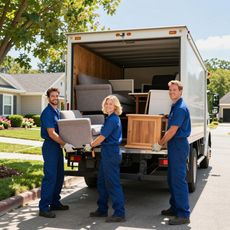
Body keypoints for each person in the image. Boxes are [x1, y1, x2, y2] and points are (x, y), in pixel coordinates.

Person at [152, 80, 191, 225]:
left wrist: (160, 144)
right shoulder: (175, 106)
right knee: (171, 178)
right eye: (170, 90)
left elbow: (173, 130)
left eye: (174, 90)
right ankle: (174, 208)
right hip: (174, 145)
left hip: (179, 145)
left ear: (180, 92)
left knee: (178, 180)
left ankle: (183, 214)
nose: (172, 92)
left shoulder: (180, 107)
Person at [87, 95, 126, 222]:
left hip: (111, 154)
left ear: (116, 106)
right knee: (102, 183)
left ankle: (119, 213)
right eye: (107, 103)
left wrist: (90, 145)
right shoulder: (110, 118)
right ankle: (102, 210)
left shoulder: (112, 120)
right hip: (107, 154)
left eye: (111, 104)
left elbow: (102, 137)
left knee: (113, 184)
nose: (108, 105)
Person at [39, 87, 75, 218]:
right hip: (50, 147)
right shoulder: (47, 113)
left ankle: (55, 202)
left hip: (57, 147)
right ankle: (44, 207)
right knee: (50, 177)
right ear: (48, 98)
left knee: (59, 175)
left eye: (57, 96)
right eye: (52, 96)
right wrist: (65, 144)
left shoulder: (57, 111)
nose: (55, 98)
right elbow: (51, 133)